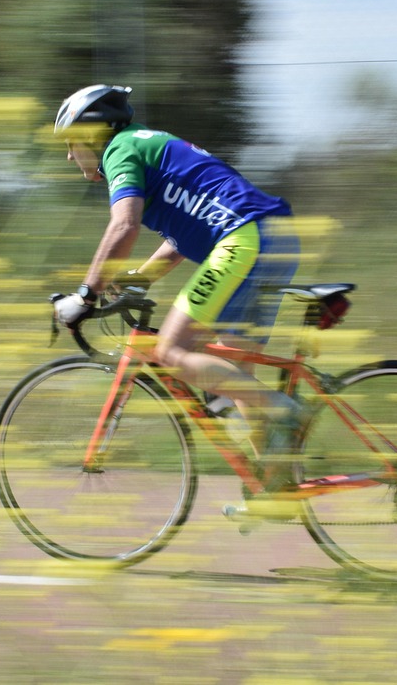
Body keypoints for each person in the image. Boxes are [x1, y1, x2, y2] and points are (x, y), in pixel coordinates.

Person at [50, 83, 309, 504]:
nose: (68, 154)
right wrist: (145, 276)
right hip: (274, 236)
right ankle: (277, 489)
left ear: (92, 134)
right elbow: (185, 231)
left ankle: (284, 413)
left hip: (243, 241)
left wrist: (86, 295)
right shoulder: (150, 146)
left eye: (72, 142)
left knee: (171, 350)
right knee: (234, 375)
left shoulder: (120, 149)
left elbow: (123, 226)